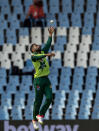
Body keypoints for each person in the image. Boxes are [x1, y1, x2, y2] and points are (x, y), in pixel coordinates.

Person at [30, 27, 55, 129]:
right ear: (33, 50)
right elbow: (37, 57)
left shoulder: (42, 52)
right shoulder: (33, 56)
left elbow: (48, 45)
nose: (37, 45)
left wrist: (50, 35)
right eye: (35, 46)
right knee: (38, 101)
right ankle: (34, 120)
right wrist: (48, 54)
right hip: (38, 80)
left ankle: (40, 115)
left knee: (49, 98)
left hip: (46, 79)